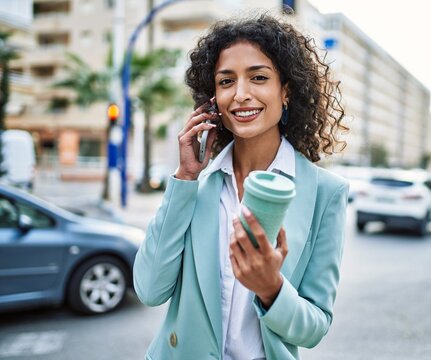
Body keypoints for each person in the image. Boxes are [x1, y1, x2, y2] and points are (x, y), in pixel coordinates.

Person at [133, 12, 349, 360]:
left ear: (286, 90)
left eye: (259, 77)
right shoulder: (196, 185)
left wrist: (271, 289)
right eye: (226, 81)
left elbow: (314, 327)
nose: (241, 95)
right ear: (213, 98)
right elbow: (150, 289)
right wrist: (184, 178)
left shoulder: (326, 193)